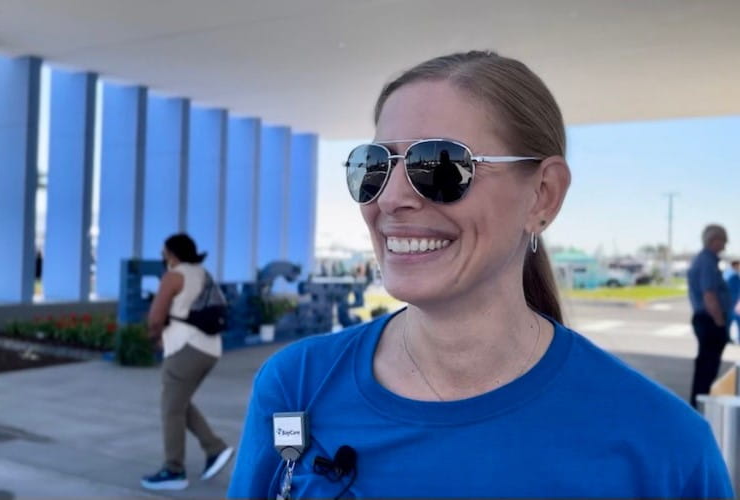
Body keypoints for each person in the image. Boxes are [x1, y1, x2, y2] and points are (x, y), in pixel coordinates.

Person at [228, 51, 732, 498]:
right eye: (373, 166)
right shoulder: (297, 386)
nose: (392, 197)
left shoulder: (664, 446)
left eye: (440, 164)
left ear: (543, 195)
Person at [141, 233, 234, 490]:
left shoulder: (173, 276)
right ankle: (214, 448)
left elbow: (155, 317)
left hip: (185, 349)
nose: (163, 257)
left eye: (164, 253)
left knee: (170, 409)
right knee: (177, 403)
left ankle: (174, 470)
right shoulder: (202, 273)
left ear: (172, 254)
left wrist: (153, 338)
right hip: (209, 348)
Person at [687, 225, 732, 408]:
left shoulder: (705, 260)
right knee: (707, 367)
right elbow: (709, 294)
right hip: (709, 321)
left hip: (706, 320)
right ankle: (700, 405)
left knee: (705, 366)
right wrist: (719, 321)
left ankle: (699, 403)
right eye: (723, 240)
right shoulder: (707, 261)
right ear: (715, 240)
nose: (725, 245)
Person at [725, 260, 740, 340]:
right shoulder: (732, 276)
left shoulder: (733, 275)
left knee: (731, 321)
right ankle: (727, 337)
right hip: (732, 303)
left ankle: (728, 337)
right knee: (730, 321)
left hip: (733, 302)